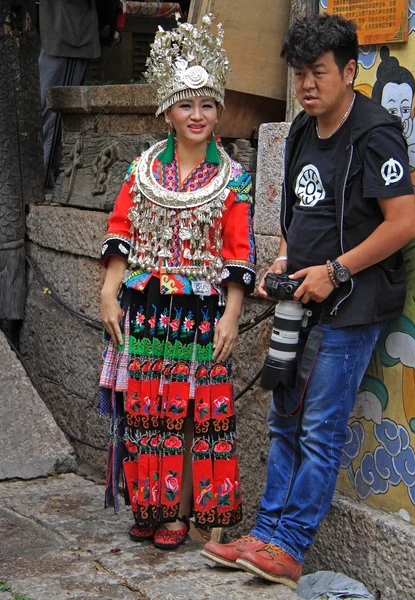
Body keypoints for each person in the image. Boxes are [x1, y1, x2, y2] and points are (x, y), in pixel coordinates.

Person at [201, 13, 415, 589]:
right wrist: (282, 257)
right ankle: (266, 535)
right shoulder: (300, 130)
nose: (307, 85)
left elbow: (404, 223)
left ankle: (290, 547)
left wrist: (337, 269)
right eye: (299, 75)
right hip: (300, 299)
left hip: (353, 304)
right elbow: (299, 217)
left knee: (320, 429)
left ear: (349, 71)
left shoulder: (375, 134)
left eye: (319, 73)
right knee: (282, 420)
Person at [99, 14, 256, 550]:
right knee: (148, 407)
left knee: (189, 412)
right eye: (186, 103)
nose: (197, 115)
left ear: (218, 111)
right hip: (144, 308)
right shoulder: (141, 169)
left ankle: (180, 514)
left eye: (207, 104)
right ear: (167, 109)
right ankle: (151, 504)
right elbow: (119, 232)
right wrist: (107, 292)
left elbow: (239, 254)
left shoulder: (233, 177)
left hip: (200, 314)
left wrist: (232, 315)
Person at [38, 0, 101, 191]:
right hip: (42, 30)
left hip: (67, 34)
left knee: (55, 112)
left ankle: (43, 181)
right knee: (41, 112)